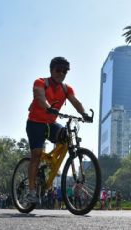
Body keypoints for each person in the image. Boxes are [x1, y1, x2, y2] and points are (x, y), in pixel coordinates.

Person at [25, 57, 90, 203]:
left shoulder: (66, 89)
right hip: (35, 123)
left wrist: (84, 114)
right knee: (36, 154)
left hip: (50, 123)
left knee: (66, 136)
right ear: (51, 70)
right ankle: (31, 191)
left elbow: (75, 102)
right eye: (58, 70)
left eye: (64, 71)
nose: (61, 73)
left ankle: (51, 163)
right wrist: (49, 108)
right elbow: (40, 98)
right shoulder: (40, 82)